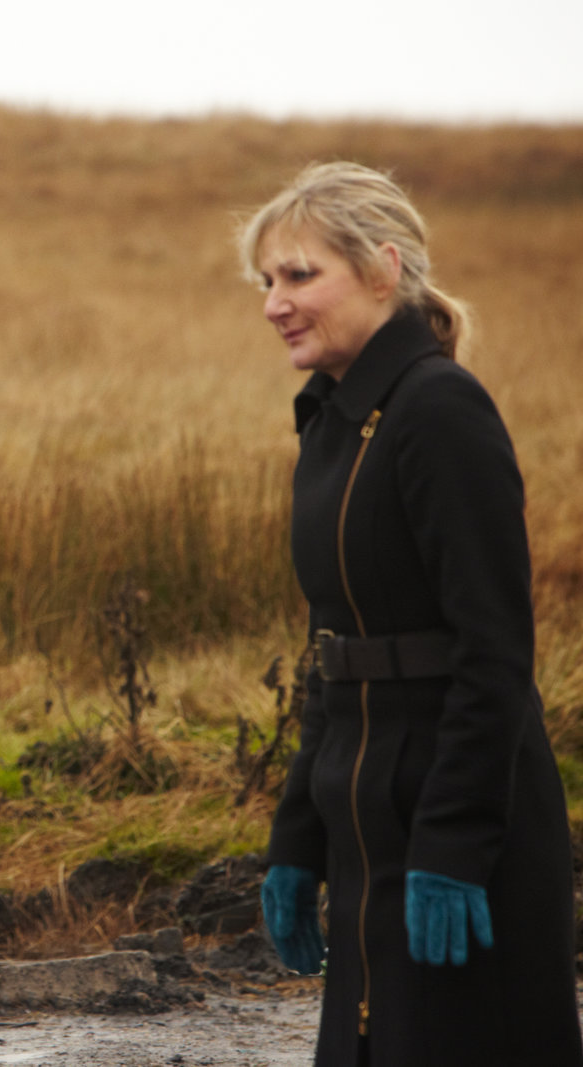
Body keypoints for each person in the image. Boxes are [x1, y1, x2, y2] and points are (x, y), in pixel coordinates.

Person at [243, 162, 583, 1065]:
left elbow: (495, 650)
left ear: (384, 268)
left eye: (300, 274)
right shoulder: (330, 421)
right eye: (266, 280)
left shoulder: (441, 410)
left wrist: (454, 843)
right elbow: (333, 649)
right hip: (364, 824)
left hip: (458, 839)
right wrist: (298, 837)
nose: (275, 303)